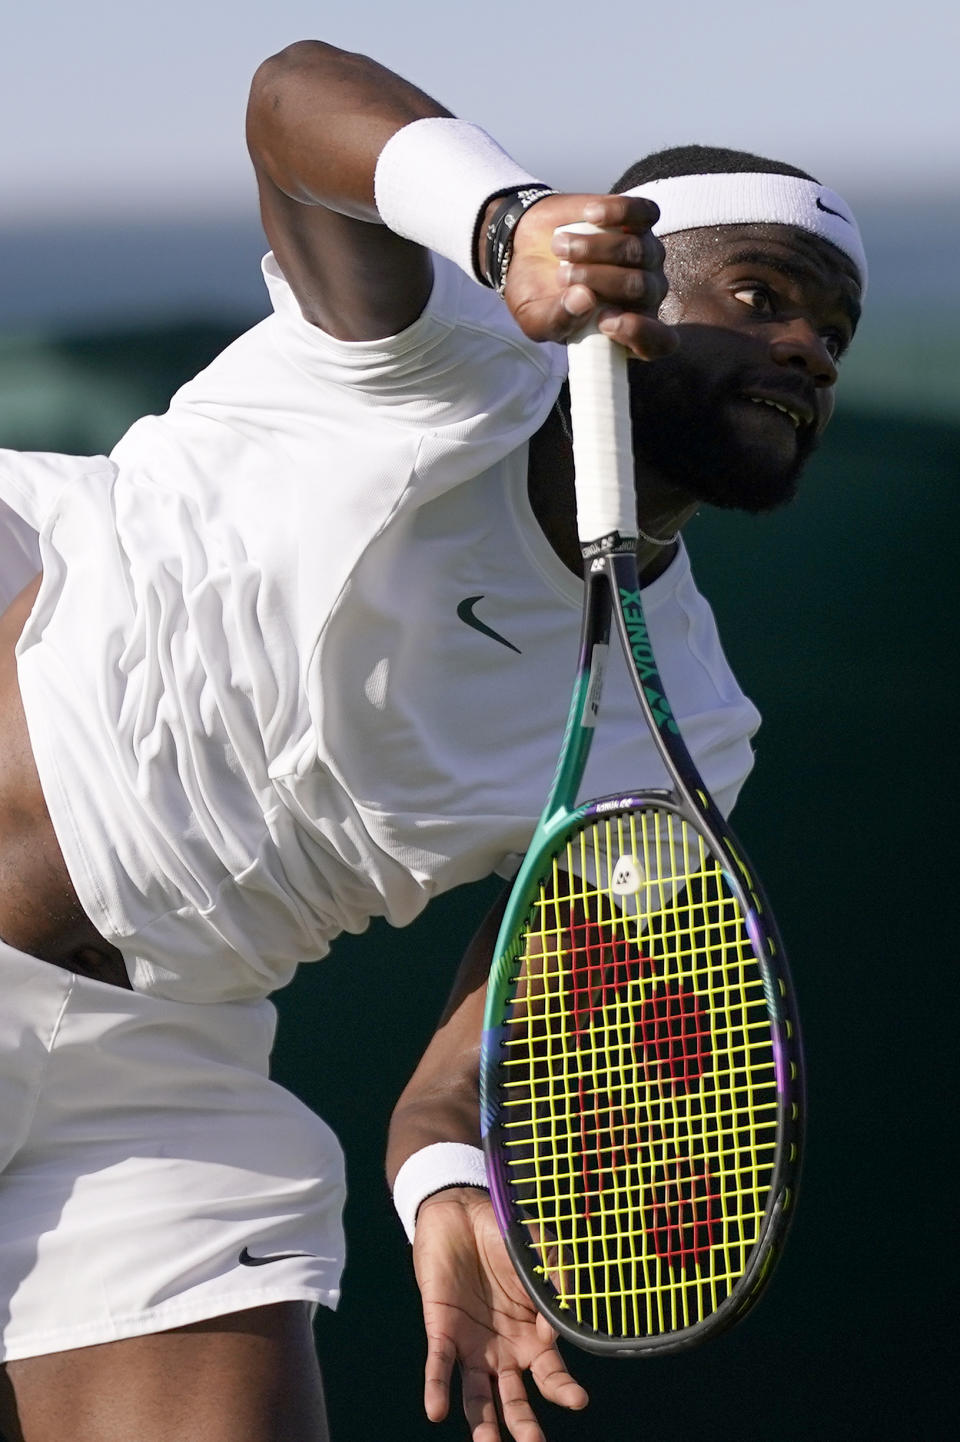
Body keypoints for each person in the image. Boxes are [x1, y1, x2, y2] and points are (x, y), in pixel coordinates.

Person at [0, 37, 864, 1442]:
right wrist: (505, 221)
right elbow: (291, 98)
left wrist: (446, 1165)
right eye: (765, 297)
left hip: (151, 1060)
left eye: (833, 333)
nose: (805, 349)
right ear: (627, 290)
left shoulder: (694, 727)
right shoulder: (428, 361)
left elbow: (489, 1032)